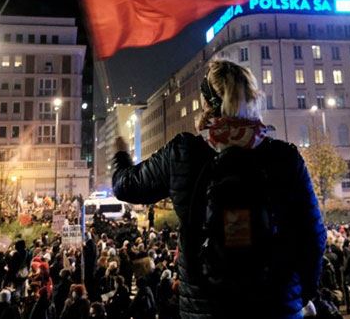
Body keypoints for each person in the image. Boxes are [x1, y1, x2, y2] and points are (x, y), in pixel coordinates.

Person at [112, 60, 326, 318]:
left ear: (208, 104)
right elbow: (314, 236)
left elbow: (126, 187)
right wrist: (300, 295)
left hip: (207, 308)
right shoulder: (284, 158)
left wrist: (122, 155)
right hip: (275, 304)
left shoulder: (184, 153)